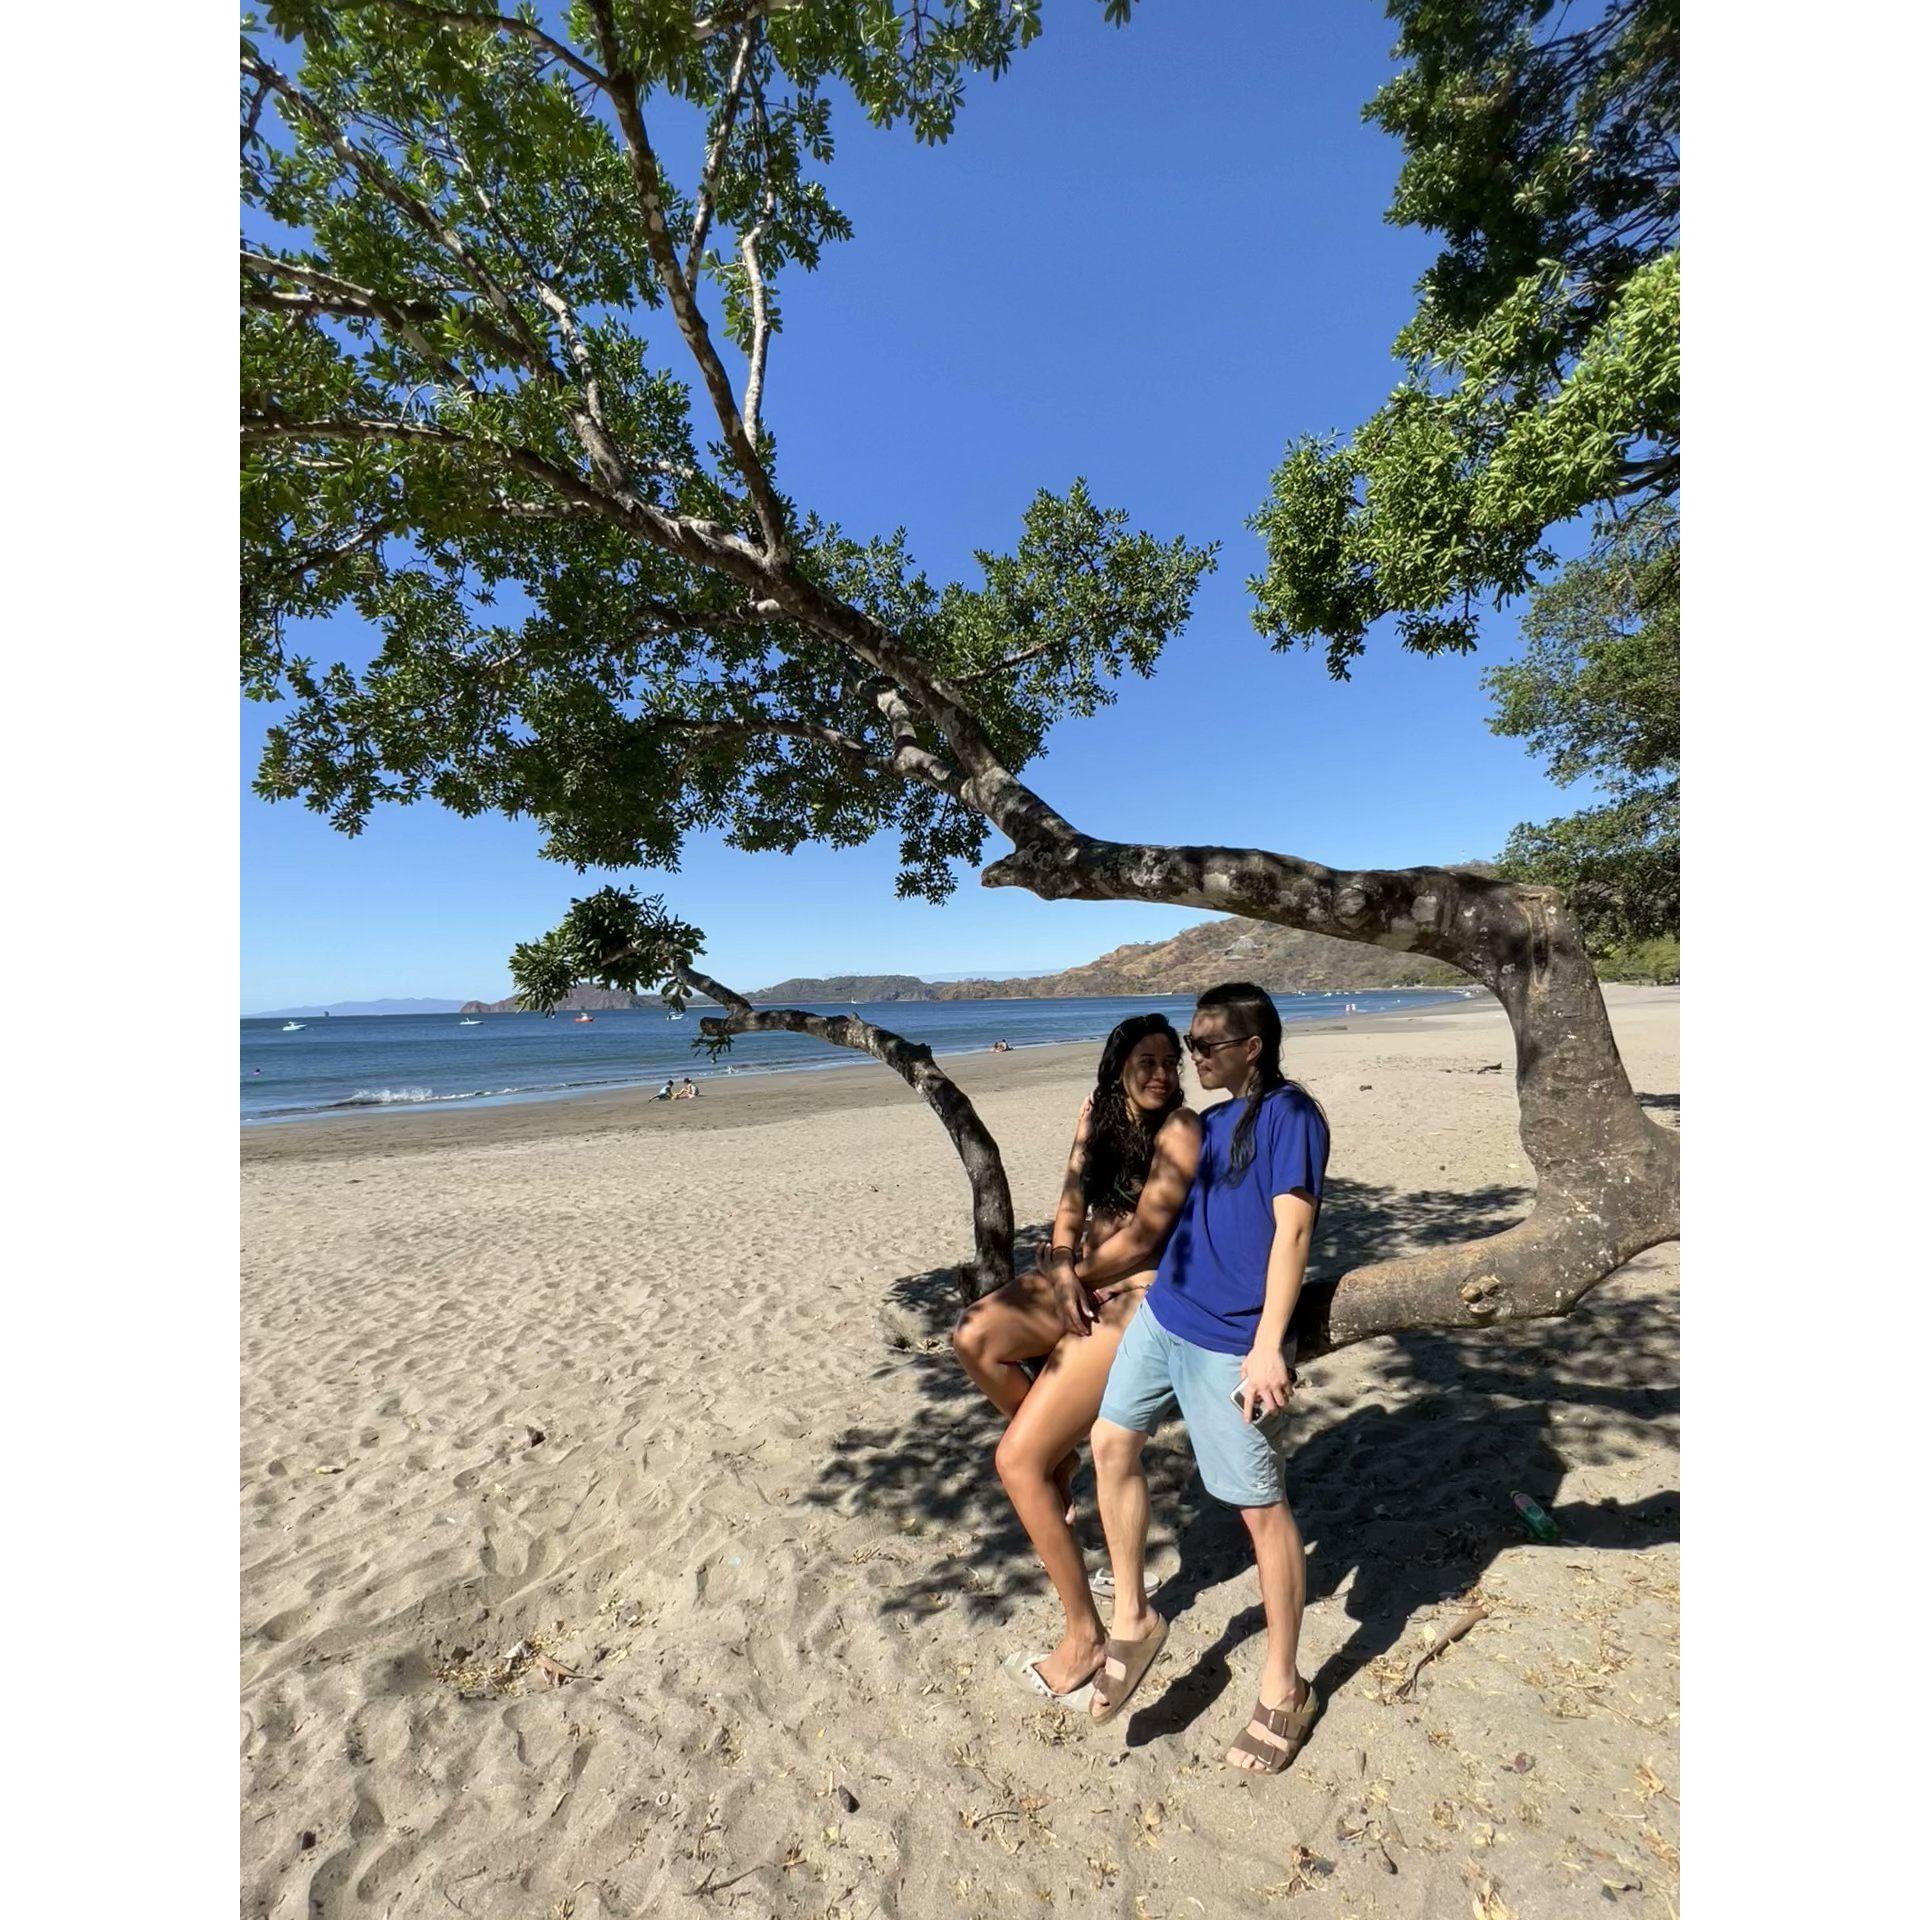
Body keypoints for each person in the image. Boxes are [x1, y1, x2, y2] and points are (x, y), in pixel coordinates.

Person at [1087, 982, 1331, 1775]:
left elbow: (1292, 1235)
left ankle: (1285, 1686)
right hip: (1166, 1320)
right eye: (1190, 1046)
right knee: (1109, 1441)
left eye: (1205, 1044)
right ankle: (1132, 1619)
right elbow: (1179, 1225)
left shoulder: (1291, 1116)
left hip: (1231, 1342)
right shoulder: (1214, 1122)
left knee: (1261, 1512)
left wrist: (1269, 1346)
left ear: (1251, 1047)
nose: (1194, 1057)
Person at [952, 1015, 1202, 1699]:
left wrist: (1074, 1274)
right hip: (1084, 1278)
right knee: (974, 1337)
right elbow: (1070, 1202)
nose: (1161, 1074)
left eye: (1170, 1061)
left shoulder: (1182, 1129)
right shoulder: (1100, 1119)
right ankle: (1061, 1458)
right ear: (1118, 1065)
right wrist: (1062, 1261)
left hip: (1134, 1295)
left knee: (1014, 1462)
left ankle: (1084, 1634)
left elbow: (1147, 1238)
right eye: (1146, 1061)